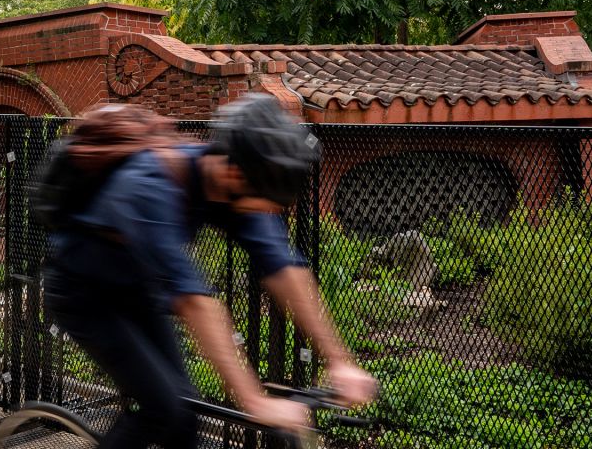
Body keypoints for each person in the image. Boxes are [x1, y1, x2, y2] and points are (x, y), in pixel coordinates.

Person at [42, 94, 378, 449]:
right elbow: (196, 303)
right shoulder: (149, 186)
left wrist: (340, 362)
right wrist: (254, 401)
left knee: (185, 416)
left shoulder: (234, 184)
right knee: (165, 409)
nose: (272, 211)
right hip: (84, 296)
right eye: (269, 201)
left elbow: (286, 268)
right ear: (234, 173)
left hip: (137, 292)